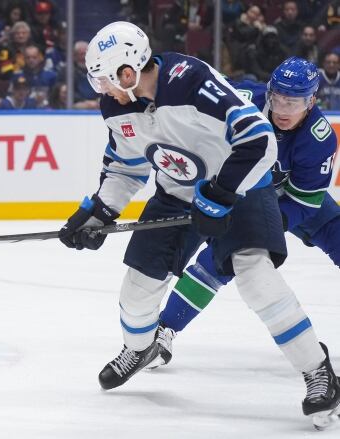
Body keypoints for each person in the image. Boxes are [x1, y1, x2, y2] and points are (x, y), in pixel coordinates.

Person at [59, 22, 340, 426]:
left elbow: (259, 139)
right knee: (137, 292)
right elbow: (125, 165)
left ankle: (319, 373)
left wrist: (222, 194)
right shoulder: (116, 107)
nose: (100, 89)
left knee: (254, 275)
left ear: (128, 71)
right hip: (176, 192)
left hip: (242, 187)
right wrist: (99, 211)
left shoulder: (190, 80)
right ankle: (143, 348)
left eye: (104, 79)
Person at [153, 58, 340, 376]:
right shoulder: (243, 100)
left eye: (292, 101)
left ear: (311, 101)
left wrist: (269, 224)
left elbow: (305, 201)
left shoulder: (319, 138)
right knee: (216, 261)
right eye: (277, 97)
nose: (282, 108)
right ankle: (162, 333)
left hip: (293, 201)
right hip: (246, 194)